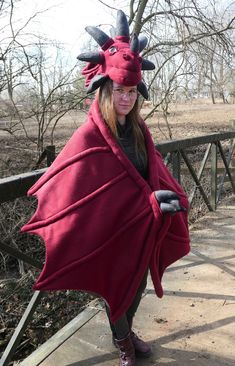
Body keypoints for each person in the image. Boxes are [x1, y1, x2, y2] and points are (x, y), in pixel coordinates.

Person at [21, 10, 190, 366]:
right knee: (115, 288)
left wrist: (167, 197)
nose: (126, 98)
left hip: (142, 228)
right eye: (119, 91)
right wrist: (143, 202)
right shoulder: (90, 135)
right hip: (107, 231)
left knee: (138, 285)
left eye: (131, 91)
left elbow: (151, 173)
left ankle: (128, 331)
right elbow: (81, 186)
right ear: (104, 89)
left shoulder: (141, 133)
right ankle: (123, 343)